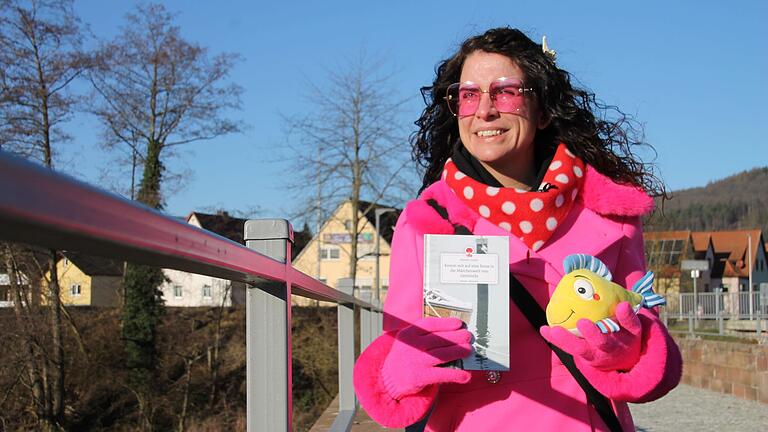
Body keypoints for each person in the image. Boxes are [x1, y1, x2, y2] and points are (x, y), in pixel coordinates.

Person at [352, 27, 682, 431]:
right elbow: (402, 354)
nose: (485, 110)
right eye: (468, 95)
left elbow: (646, 336)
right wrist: (400, 372)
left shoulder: (611, 214)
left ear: (543, 110)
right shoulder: (428, 221)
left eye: (505, 91)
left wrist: (628, 349)